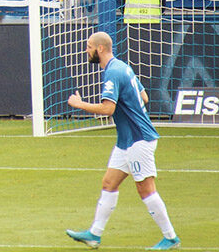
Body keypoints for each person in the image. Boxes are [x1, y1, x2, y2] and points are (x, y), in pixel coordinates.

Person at [66, 32, 180, 250]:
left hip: (139, 139)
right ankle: (94, 235)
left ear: (99, 49)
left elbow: (108, 109)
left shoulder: (113, 74)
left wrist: (79, 104)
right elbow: (144, 97)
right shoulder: (122, 67)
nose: (86, 51)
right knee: (109, 183)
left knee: (145, 189)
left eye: (89, 47)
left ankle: (171, 237)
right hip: (127, 140)